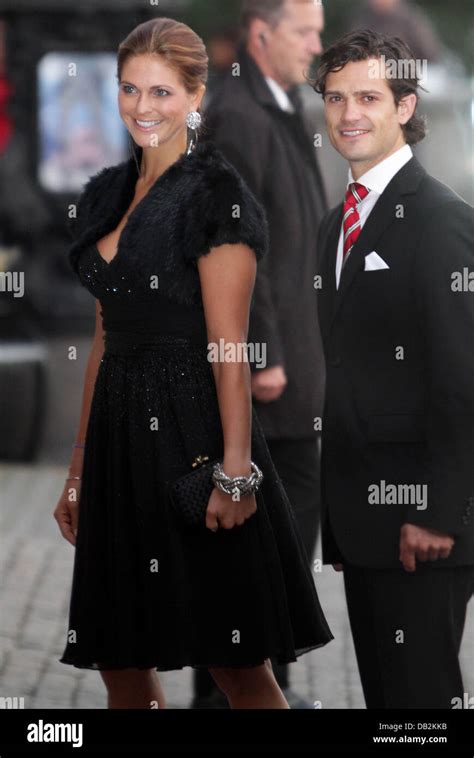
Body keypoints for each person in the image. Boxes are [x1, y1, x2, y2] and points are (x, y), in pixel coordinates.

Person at [54, 17, 333, 710]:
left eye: (161, 92)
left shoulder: (216, 195)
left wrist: (236, 475)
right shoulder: (104, 193)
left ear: (196, 95)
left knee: (236, 664)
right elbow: (102, 337)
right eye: (128, 90)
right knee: (120, 659)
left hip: (193, 438)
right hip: (119, 446)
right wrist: (78, 470)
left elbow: (229, 346)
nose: (142, 108)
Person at [311, 28, 474, 708]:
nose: (350, 114)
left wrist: (437, 512)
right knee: (387, 704)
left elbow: (461, 378)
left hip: (423, 526)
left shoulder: (443, 222)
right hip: (364, 520)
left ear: (405, 106)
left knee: (420, 705)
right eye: (336, 97)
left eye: (370, 97)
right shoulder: (335, 224)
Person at [201, 0, 328, 709]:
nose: (317, 41)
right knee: (258, 560)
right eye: (305, 30)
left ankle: (268, 691)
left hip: (300, 374)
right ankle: (238, 699)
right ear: (261, 32)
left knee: (285, 554)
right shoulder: (240, 115)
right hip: (270, 384)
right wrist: (262, 353)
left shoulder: (280, 105)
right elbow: (233, 244)